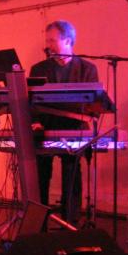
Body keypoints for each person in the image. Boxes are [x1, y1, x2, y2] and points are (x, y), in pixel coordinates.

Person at [29, 19, 98, 225]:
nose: (48, 45)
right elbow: (31, 100)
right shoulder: (38, 68)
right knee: (41, 176)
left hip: (74, 129)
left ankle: (70, 223)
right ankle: (38, 223)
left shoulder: (87, 69)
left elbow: (93, 103)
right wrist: (35, 122)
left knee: (72, 175)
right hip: (45, 128)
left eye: (52, 40)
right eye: (47, 40)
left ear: (68, 40)